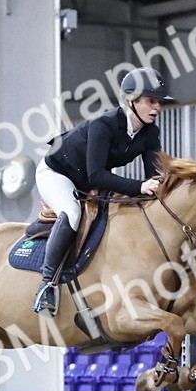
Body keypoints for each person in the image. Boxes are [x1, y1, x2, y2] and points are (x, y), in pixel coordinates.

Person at [31, 66, 175, 317]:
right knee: (72, 213)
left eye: (159, 102)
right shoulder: (103, 125)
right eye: (151, 101)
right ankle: (47, 286)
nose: (157, 108)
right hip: (58, 173)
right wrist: (139, 186)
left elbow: (154, 174)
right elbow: (96, 175)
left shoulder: (150, 132)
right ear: (131, 101)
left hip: (88, 180)